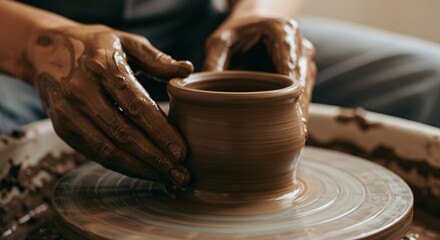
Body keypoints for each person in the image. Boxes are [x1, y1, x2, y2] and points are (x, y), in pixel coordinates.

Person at [1, 0, 439, 186]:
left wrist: (260, 14)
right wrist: (34, 43)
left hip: (205, 32)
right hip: (31, 41)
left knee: (432, 80)